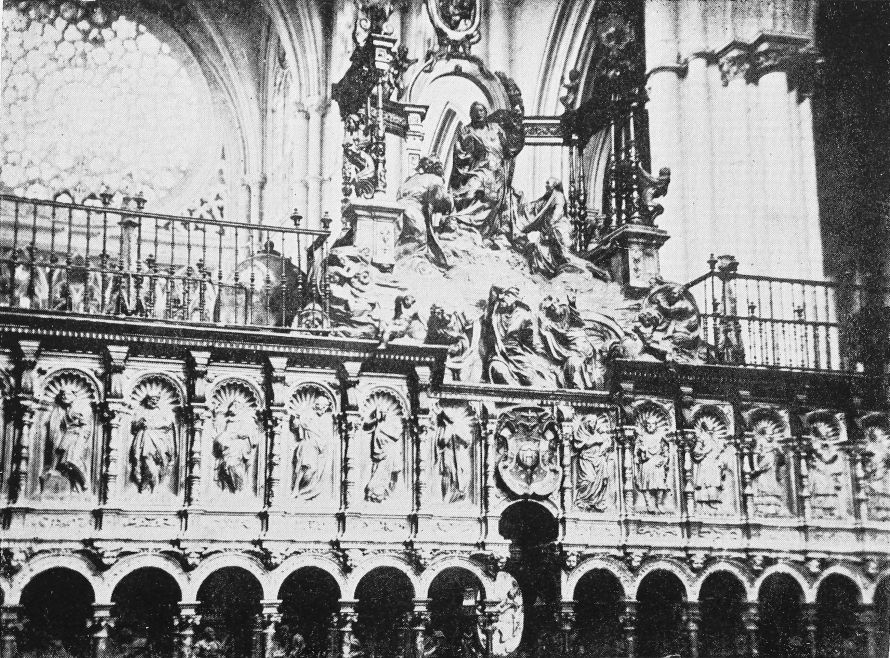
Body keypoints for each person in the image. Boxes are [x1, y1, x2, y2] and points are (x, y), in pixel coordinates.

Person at [448, 101, 524, 240]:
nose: (479, 114)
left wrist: (517, 125)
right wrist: (465, 145)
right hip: (479, 168)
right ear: (471, 115)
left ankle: (484, 232)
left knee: (494, 199)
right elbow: (460, 154)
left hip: (497, 171)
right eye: (475, 111)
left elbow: (509, 148)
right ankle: (463, 221)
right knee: (471, 191)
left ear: (486, 112)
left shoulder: (495, 128)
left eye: (481, 110)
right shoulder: (467, 131)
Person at [519, 178, 609, 280]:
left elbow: (558, 212)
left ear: (554, 185)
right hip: (553, 231)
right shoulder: (550, 197)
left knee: (567, 257)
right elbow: (537, 206)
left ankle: (597, 271)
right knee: (559, 256)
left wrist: (550, 225)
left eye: (548, 183)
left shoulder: (558, 196)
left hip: (559, 230)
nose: (546, 185)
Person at [483, 286, 558, 387]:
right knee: (499, 370)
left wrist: (539, 356)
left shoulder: (524, 316)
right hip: (499, 355)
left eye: (508, 295)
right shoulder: (496, 315)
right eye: (503, 296)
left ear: (515, 298)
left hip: (518, 355)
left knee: (531, 379)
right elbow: (489, 311)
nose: (504, 298)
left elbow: (530, 342)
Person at [396, 157, 453, 268]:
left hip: (398, 208)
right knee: (420, 241)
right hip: (413, 210)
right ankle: (403, 263)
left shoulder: (410, 179)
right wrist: (450, 200)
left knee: (399, 240)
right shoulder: (435, 179)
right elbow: (439, 199)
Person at [43, 385, 93, 495]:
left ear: (74, 395)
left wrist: (81, 439)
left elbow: (86, 427)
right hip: (67, 436)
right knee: (64, 463)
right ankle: (75, 486)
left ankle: (84, 482)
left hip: (78, 436)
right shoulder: (63, 410)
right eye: (63, 394)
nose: (65, 396)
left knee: (73, 460)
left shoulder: (82, 408)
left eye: (68, 394)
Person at [291, 395, 335, 501]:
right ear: (318, 406)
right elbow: (296, 425)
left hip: (317, 448)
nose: (324, 410)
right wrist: (297, 418)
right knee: (307, 468)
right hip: (308, 445)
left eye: (326, 408)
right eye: (323, 407)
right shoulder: (307, 414)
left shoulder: (322, 419)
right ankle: (297, 490)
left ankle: (303, 492)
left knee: (313, 470)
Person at [130, 393, 176, 493]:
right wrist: (140, 423)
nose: (154, 402)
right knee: (146, 460)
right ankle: (150, 483)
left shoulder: (162, 412)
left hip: (159, 440)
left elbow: (168, 424)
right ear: (147, 400)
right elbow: (134, 427)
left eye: (156, 400)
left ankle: (151, 484)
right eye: (152, 399)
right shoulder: (141, 411)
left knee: (159, 463)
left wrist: (152, 425)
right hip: (144, 439)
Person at [213, 399, 259, 493]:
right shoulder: (229, 421)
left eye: (236, 405)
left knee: (233, 465)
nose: (232, 408)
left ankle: (240, 489)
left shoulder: (247, 419)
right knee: (224, 467)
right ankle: (228, 489)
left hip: (239, 448)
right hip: (228, 448)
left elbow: (250, 436)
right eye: (233, 405)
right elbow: (223, 435)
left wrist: (235, 436)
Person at [572, 414, 614, 512]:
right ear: (586, 423)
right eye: (591, 422)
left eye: (595, 422)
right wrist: (594, 441)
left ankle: (596, 501)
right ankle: (582, 499)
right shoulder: (581, 432)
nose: (594, 425)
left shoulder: (596, 434)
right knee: (589, 479)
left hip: (598, 460)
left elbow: (603, 442)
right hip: (586, 459)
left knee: (602, 481)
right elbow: (579, 445)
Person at [364, 406, 404, 503]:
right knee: (380, 471)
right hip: (380, 453)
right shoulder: (377, 424)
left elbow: (397, 435)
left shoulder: (391, 424)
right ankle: (374, 491)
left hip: (389, 452)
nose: (383, 414)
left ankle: (380, 492)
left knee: (386, 473)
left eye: (385, 412)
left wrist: (383, 430)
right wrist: (375, 419)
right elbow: (366, 425)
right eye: (381, 412)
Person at [434, 407, 471, 503]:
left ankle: (458, 493)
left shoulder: (457, 427)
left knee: (459, 473)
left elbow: (466, 442)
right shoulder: (443, 428)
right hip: (447, 453)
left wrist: (459, 436)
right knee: (447, 473)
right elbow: (441, 442)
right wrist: (448, 430)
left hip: (457, 454)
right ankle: (446, 497)